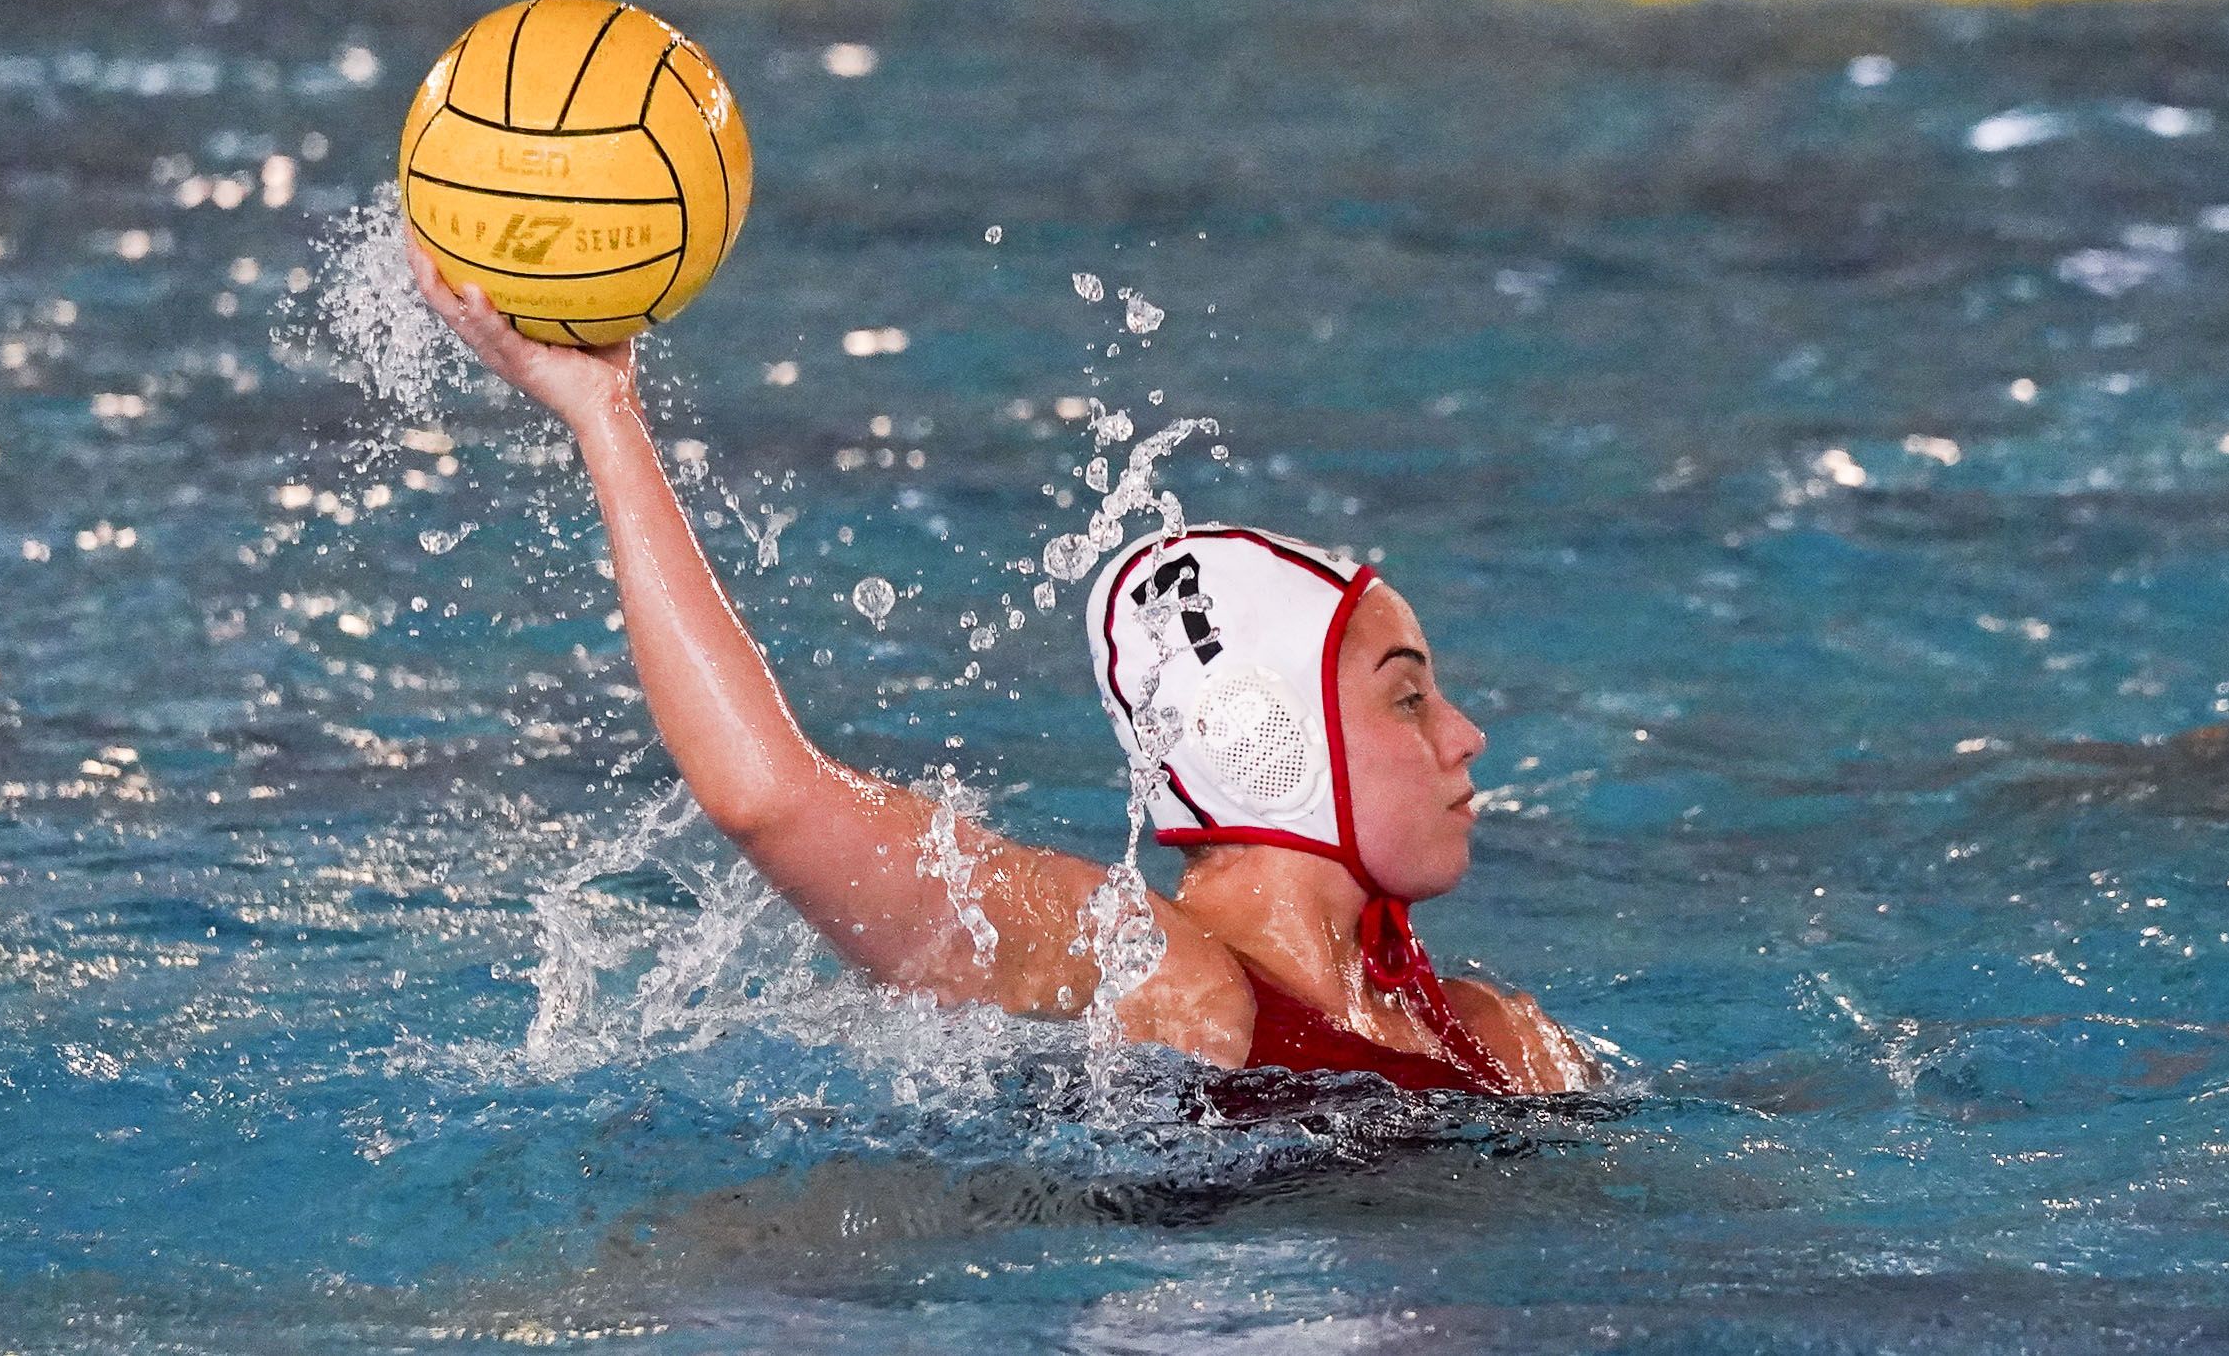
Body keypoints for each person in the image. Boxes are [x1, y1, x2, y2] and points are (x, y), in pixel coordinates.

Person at [406, 234, 1599, 1096]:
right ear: (1260, 735)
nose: (1463, 734)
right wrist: (604, 416)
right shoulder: (1151, 970)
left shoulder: (1509, 1042)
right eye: (1406, 694)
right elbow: (768, 796)